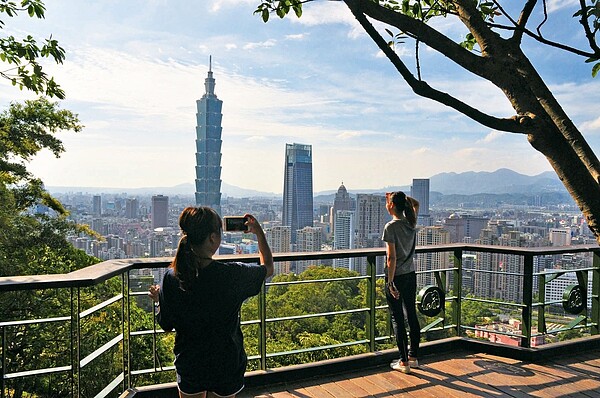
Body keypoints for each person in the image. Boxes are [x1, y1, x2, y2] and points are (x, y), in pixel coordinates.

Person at [148, 206, 273, 398]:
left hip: (190, 363)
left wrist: (159, 301)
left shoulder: (172, 277)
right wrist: (258, 233)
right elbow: (268, 268)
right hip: (225, 364)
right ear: (213, 238)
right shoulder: (232, 275)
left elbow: (166, 324)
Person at [382, 191, 420, 374]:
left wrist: (390, 283)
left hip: (396, 276)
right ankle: (413, 357)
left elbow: (391, 258)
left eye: (388, 202)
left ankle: (403, 361)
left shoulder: (391, 227)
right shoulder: (411, 222)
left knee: (397, 319)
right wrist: (402, 199)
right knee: (411, 314)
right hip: (410, 275)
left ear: (391, 206)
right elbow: (416, 204)